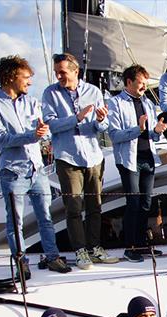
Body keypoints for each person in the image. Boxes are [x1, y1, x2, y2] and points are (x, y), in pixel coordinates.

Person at [0, 55, 71, 277]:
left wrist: (42, 132)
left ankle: (52, 257)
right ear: (11, 77)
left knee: (46, 218)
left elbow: (45, 130)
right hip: (13, 172)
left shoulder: (32, 103)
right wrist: (33, 135)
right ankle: (21, 262)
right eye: (26, 77)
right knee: (16, 222)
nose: (29, 82)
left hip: (37, 169)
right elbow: (2, 138)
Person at [42, 52, 118, 270]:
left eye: (63, 72)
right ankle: (80, 250)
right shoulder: (50, 94)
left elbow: (100, 128)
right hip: (68, 158)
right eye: (57, 73)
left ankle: (95, 247)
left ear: (76, 71)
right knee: (73, 207)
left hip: (93, 156)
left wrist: (101, 120)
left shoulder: (93, 92)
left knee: (95, 205)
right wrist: (76, 118)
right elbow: (51, 126)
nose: (59, 77)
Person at [107, 64, 167, 263]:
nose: (143, 87)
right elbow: (114, 135)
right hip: (129, 160)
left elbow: (150, 135)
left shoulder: (148, 104)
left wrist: (157, 130)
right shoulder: (116, 103)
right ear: (129, 82)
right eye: (140, 83)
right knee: (132, 203)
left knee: (146, 204)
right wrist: (138, 129)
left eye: (145, 83)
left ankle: (142, 245)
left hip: (148, 158)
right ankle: (129, 247)